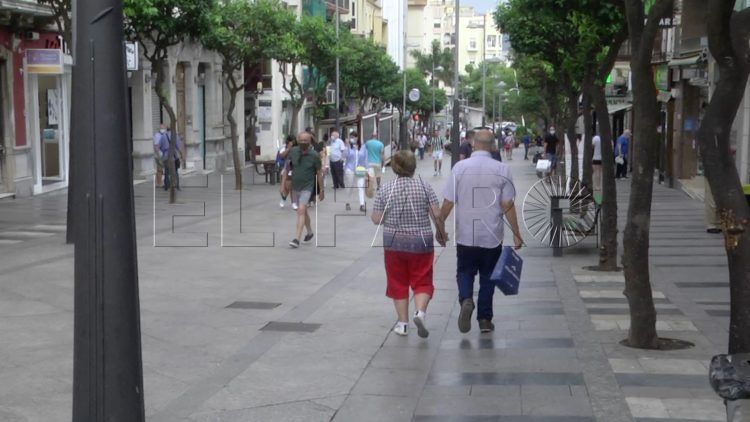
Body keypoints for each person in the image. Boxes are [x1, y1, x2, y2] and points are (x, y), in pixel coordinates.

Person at [440, 129, 523, 334]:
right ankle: (485, 319)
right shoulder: (502, 169)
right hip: (492, 235)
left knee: (464, 271)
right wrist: (516, 233)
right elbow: (507, 204)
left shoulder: (460, 168)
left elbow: (449, 201)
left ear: (473, 144)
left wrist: (440, 226)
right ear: (493, 145)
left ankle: (466, 299)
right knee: (488, 276)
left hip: (466, 233)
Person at [371, 150, 447, 337]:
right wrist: (441, 233)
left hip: (394, 243)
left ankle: (403, 324)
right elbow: (436, 214)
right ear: (414, 167)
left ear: (395, 167)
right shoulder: (424, 186)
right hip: (421, 243)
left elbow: (376, 219)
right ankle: (420, 312)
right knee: (422, 280)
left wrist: (390, 214)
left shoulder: (386, 189)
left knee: (398, 281)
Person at [288, 131, 324, 248]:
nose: (303, 142)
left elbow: (319, 173)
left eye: (306, 140)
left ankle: (296, 239)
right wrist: (283, 184)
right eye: (301, 140)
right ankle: (309, 232)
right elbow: (287, 167)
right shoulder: (293, 151)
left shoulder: (314, 155)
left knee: (301, 209)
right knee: (303, 211)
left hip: (307, 187)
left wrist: (322, 190)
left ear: (310, 142)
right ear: (297, 140)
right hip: (295, 186)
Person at [344, 132, 368, 212]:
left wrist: (367, 169)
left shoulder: (363, 147)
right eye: (351, 137)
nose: (353, 139)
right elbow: (344, 156)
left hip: (360, 169)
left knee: (360, 186)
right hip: (350, 168)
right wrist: (347, 146)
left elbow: (365, 158)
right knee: (350, 186)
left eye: (354, 137)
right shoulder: (348, 147)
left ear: (357, 138)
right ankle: (348, 202)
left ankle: (362, 204)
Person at [155, 124, 183, 191]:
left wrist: (161, 153)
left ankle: (166, 186)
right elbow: (179, 147)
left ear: (166, 129)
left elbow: (158, 147)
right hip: (174, 156)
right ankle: (177, 185)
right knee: (175, 171)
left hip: (166, 156)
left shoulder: (163, 136)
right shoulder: (175, 136)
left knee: (166, 172)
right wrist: (181, 154)